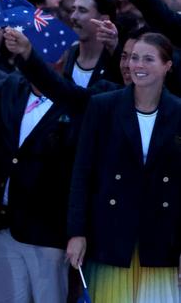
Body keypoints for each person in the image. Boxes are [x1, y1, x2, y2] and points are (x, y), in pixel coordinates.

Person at [0, 30, 83, 303]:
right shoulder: (13, 85)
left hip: (47, 230)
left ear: (61, 56)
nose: (27, 53)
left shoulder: (75, 100)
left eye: (33, 49)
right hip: (4, 223)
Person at [67, 32, 181, 303]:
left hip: (162, 239)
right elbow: (82, 174)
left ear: (167, 66)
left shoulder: (179, 112)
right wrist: (76, 232)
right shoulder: (103, 107)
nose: (137, 65)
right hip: (111, 236)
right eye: (133, 58)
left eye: (148, 59)